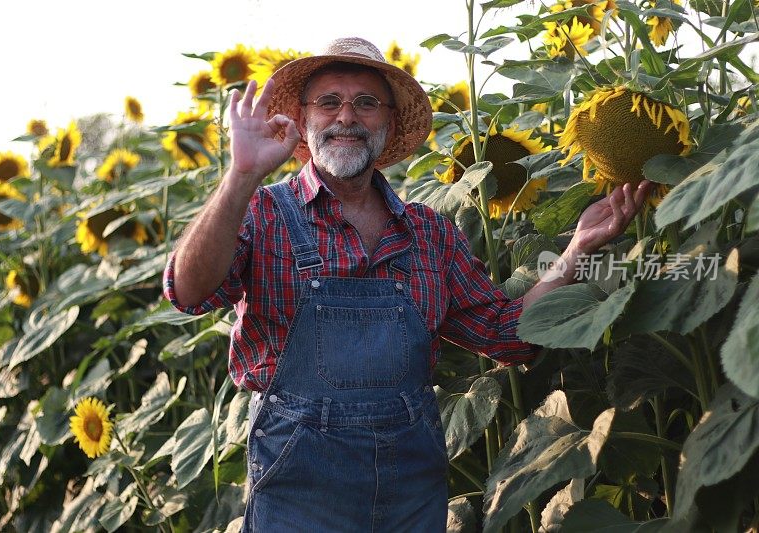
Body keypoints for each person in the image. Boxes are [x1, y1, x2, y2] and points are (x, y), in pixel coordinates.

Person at [163, 37, 649, 532]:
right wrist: (240, 176)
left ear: (389, 123)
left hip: (411, 496)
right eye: (328, 101)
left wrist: (576, 250)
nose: (346, 117)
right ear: (304, 124)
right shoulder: (264, 214)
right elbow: (189, 291)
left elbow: (508, 335)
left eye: (366, 102)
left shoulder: (429, 233)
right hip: (300, 498)